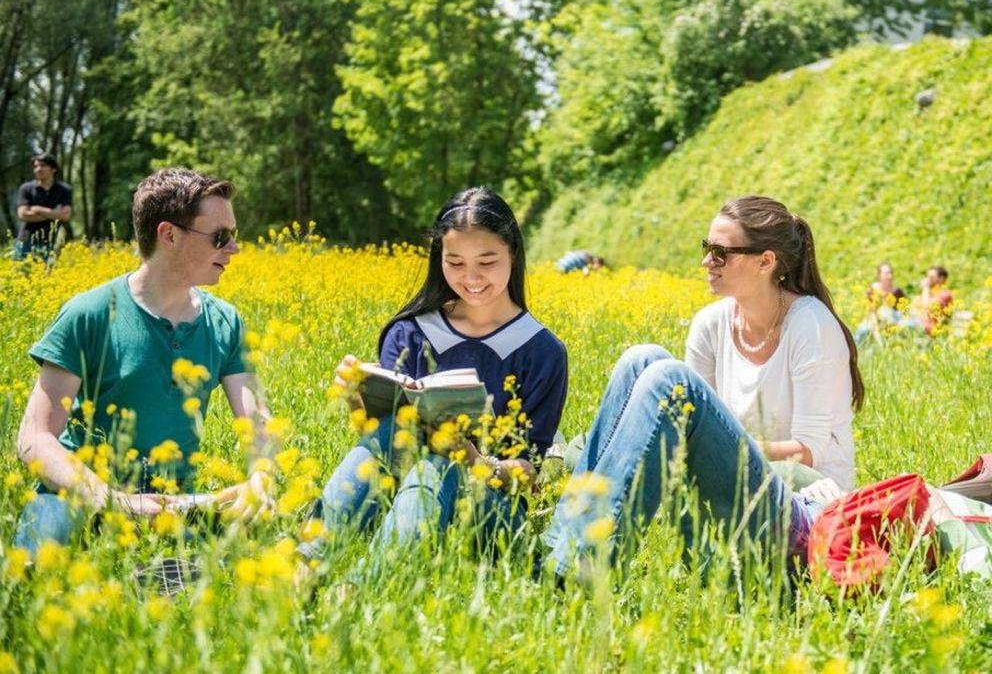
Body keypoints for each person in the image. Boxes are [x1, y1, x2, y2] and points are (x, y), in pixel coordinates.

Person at [543, 195, 862, 576]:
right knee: (641, 360)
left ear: (766, 262)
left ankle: (582, 567)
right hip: (730, 490)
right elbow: (693, 423)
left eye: (720, 253)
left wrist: (728, 446)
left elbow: (810, 450)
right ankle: (558, 547)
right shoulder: (711, 323)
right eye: (706, 248)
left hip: (801, 506)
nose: (706, 262)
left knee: (669, 379)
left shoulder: (811, 325)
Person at [299, 187, 568, 566]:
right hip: (402, 494)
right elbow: (379, 444)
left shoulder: (542, 351)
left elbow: (530, 472)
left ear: (513, 254)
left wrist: (475, 461)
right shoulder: (409, 332)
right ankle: (306, 563)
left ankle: (361, 589)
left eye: (486, 261)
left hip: (489, 512)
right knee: (402, 436)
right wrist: (354, 399)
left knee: (441, 465)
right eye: (455, 262)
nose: (471, 277)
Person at [14, 168, 272, 556]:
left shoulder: (226, 321)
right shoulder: (89, 314)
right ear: (169, 235)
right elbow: (34, 438)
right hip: (78, 493)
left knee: (228, 583)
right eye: (221, 236)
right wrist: (109, 498)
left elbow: (257, 422)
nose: (234, 248)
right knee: (28, 576)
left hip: (172, 505)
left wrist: (261, 478)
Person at [14, 152, 73, 260]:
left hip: (51, 242)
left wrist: (37, 209)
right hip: (26, 240)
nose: (38, 169)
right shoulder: (26, 188)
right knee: (21, 274)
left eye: (43, 165)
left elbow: (66, 216)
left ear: (53, 169)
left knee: (47, 275)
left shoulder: (64, 190)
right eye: (36, 166)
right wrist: (54, 213)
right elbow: (22, 215)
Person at [854, 262, 908, 345]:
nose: (889, 276)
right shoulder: (872, 289)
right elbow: (870, 310)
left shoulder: (897, 291)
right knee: (863, 330)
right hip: (874, 318)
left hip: (894, 320)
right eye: (886, 273)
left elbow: (903, 311)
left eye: (891, 273)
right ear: (879, 276)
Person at [912, 265, 953, 335]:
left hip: (933, 328)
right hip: (920, 325)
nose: (927, 280)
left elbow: (927, 307)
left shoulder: (945, 294)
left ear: (941, 279)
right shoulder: (930, 294)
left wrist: (925, 288)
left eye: (931, 277)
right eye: (927, 276)